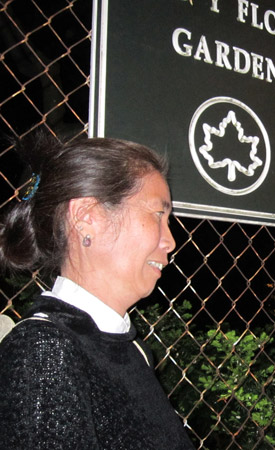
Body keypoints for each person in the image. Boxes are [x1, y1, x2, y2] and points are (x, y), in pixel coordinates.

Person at [0, 134, 195, 449]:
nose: (170, 241)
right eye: (158, 215)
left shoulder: (130, 349)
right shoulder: (45, 352)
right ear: (86, 218)